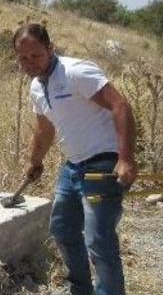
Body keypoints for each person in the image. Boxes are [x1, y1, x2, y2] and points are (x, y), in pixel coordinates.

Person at [13, 23, 137, 295]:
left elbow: (120, 105)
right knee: (62, 230)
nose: (30, 62)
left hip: (103, 165)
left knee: (99, 241)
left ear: (50, 48)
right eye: (23, 58)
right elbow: (45, 129)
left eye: (36, 55)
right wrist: (35, 161)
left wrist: (126, 158)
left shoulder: (75, 72)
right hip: (72, 168)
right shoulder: (36, 87)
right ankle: (81, 290)